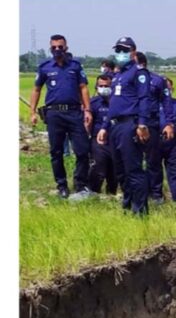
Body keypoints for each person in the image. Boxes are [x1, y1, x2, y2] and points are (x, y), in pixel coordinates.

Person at [29, 34, 93, 198]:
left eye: (60, 47)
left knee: (82, 151)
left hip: (74, 113)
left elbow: (83, 88)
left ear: (66, 48)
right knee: (56, 152)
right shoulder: (45, 67)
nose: (57, 50)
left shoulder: (75, 66)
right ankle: (62, 186)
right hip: (54, 114)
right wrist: (32, 112)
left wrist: (87, 110)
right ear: (50, 49)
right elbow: (36, 90)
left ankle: (80, 184)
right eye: (54, 47)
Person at [97, 37, 151, 215]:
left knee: (133, 169)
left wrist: (142, 124)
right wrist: (105, 126)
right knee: (120, 171)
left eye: (125, 50)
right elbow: (113, 103)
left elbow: (144, 99)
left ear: (133, 52)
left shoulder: (139, 73)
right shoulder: (118, 75)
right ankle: (127, 206)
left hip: (130, 124)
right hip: (115, 126)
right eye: (118, 50)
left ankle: (140, 211)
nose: (121, 54)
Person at [135, 52, 175, 205]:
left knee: (153, 160)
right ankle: (137, 192)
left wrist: (169, 123)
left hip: (151, 123)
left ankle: (156, 194)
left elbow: (166, 103)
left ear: (142, 64)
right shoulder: (128, 79)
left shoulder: (157, 80)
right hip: (133, 122)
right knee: (133, 161)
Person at [87, 74, 117, 194]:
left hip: (115, 141)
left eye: (106, 86)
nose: (104, 88)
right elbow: (87, 123)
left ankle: (112, 194)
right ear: (96, 87)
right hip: (98, 142)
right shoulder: (93, 103)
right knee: (98, 168)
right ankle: (93, 193)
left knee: (114, 171)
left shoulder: (118, 102)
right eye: (101, 86)